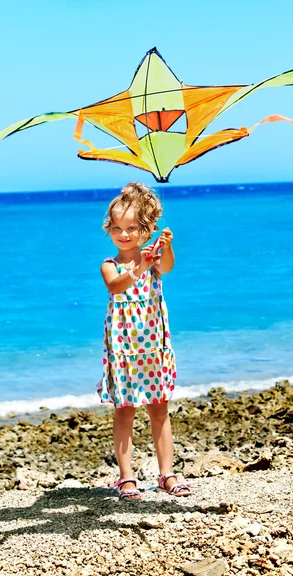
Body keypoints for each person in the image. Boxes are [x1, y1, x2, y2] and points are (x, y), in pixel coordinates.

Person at [97, 182, 191, 500]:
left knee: (159, 409)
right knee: (124, 411)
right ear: (110, 229)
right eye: (119, 228)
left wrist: (165, 247)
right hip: (123, 349)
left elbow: (166, 266)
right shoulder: (109, 265)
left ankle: (167, 473)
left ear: (145, 229)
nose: (125, 234)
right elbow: (116, 286)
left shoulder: (153, 261)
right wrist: (141, 263)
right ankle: (126, 478)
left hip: (152, 348)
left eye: (132, 228)